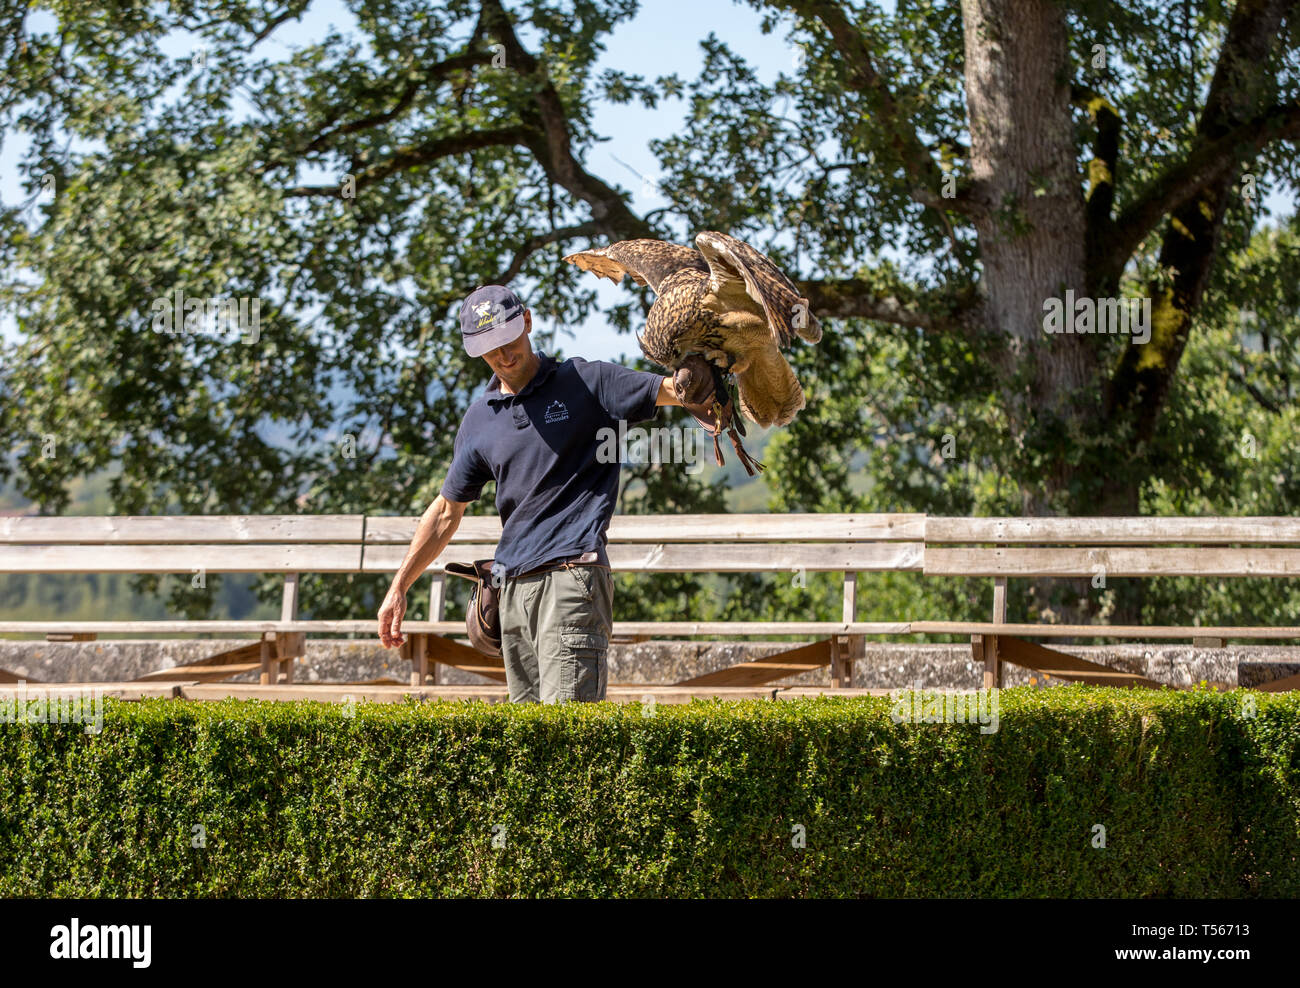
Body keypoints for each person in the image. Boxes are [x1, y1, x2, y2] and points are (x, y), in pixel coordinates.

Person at [377, 284, 684, 702]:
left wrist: (706, 375)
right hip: (511, 592)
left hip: (570, 578)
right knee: (530, 749)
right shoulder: (480, 419)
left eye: (508, 340)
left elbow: (674, 390)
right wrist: (400, 585)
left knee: (568, 739)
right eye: (489, 349)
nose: (503, 356)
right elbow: (447, 510)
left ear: (526, 321)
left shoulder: (585, 381)